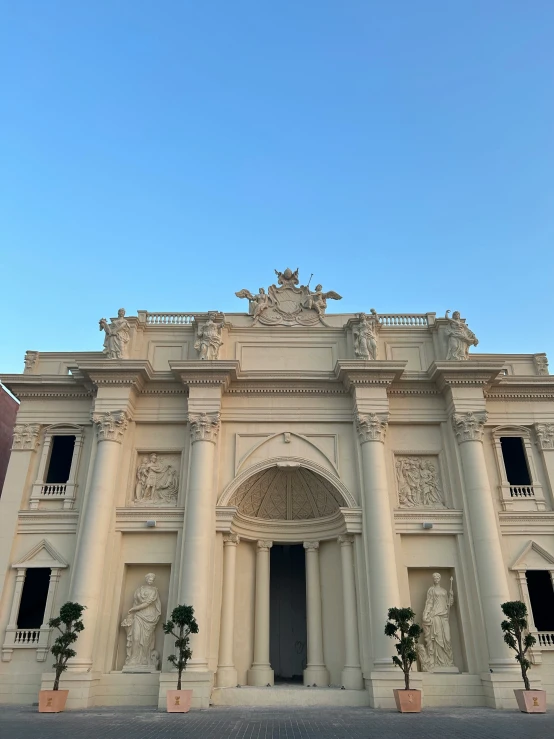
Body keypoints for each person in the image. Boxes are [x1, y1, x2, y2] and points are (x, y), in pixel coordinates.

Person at [121, 573, 161, 669]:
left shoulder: (154, 591)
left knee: (146, 640)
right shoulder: (139, 590)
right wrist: (131, 614)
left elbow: (147, 604)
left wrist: (133, 609)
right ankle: (134, 659)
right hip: (138, 615)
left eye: (153, 578)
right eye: (149, 578)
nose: (151, 579)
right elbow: (135, 603)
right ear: (146, 578)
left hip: (149, 616)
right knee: (136, 638)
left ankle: (144, 659)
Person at [421, 573, 454, 669]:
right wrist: (426, 614)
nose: (436, 579)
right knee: (437, 638)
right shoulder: (431, 590)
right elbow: (429, 603)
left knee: (447, 639)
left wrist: (451, 597)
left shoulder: (444, 591)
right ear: (433, 579)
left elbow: (448, 603)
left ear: (440, 578)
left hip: (444, 616)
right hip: (435, 615)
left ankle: (448, 661)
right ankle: (438, 662)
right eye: (434, 577)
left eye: (438, 577)